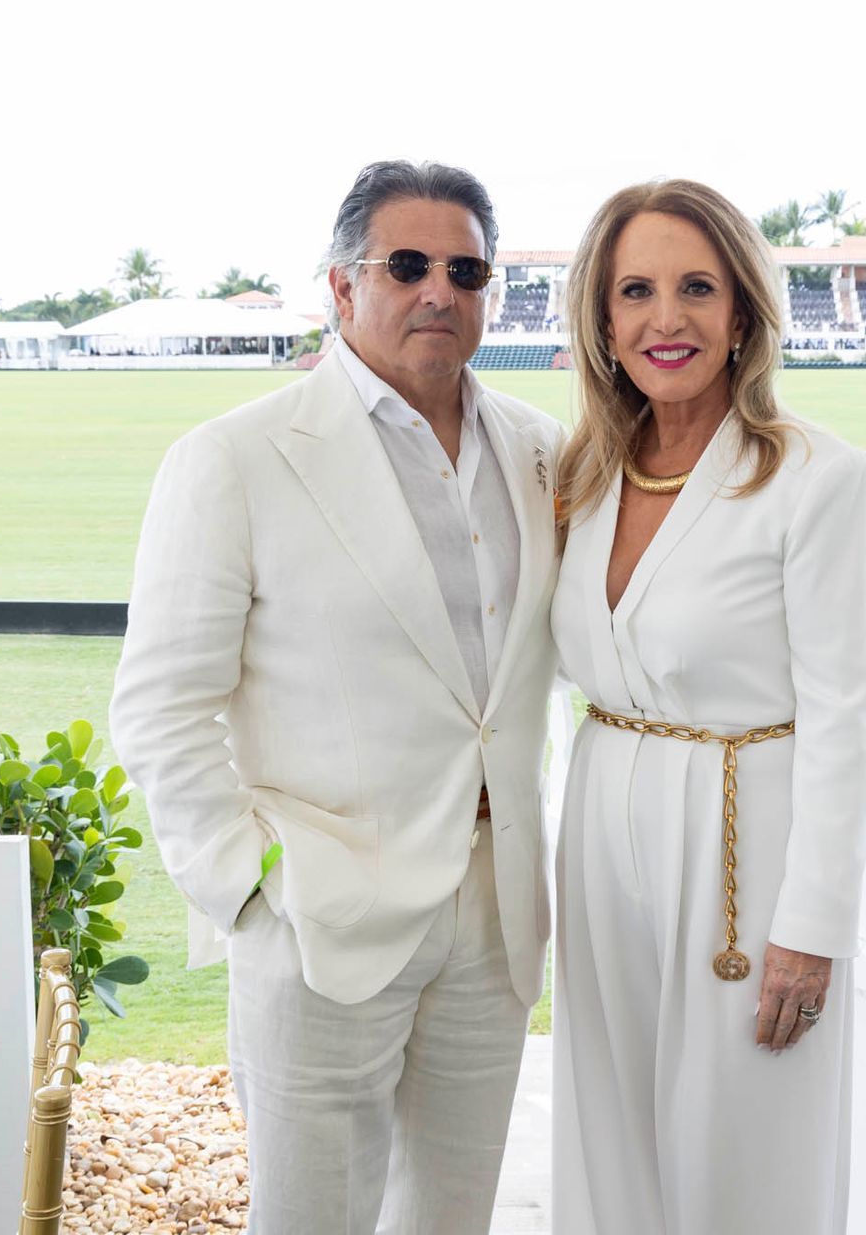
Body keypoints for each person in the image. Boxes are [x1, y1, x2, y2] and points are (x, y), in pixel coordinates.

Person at [110, 160, 565, 1234]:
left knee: (450, 1217)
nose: (438, 290)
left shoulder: (542, 450)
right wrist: (250, 886)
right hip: (319, 912)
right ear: (342, 284)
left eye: (465, 270)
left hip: (496, 913)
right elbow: (163, 703)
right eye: (406, 264)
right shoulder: (233, 458)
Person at [548, 179, 866, 1233]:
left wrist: (812, 924)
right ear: (603, 321)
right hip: (601, 832)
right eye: (635, 290)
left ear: (742, 310)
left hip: (749, 847)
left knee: (745, 1153)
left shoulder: (817, 476)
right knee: (611, 1144)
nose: (667, 318)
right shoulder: (581, 474)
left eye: (697, 287)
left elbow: (844, 712)